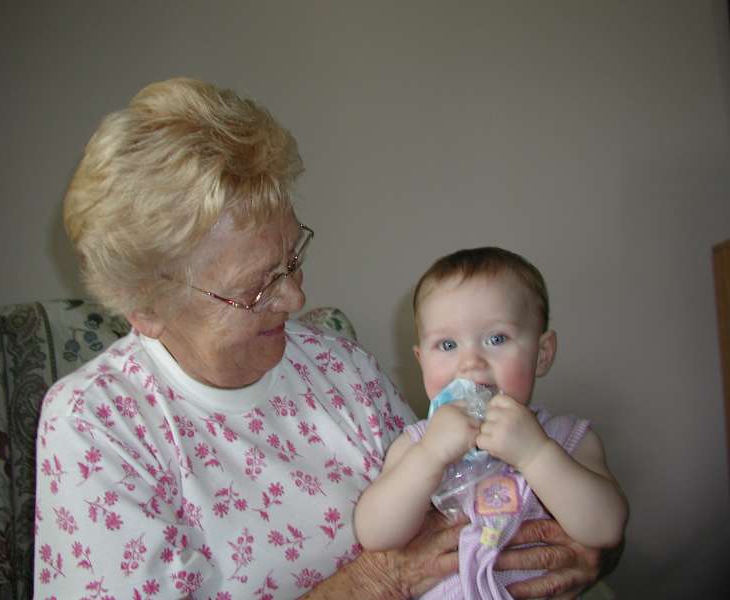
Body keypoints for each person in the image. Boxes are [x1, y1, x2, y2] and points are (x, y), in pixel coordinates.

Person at [34, 77, 616, 599]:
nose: (296, 299)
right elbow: (404, 564)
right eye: (256, 287)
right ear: (148, 311)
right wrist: (375, 583)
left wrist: (579, 550)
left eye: (292, 259)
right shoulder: (95, 425)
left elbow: (473, 507)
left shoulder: (340, 368)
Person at [354, 247, 629, 598]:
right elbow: (375, 534)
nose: (470, 362)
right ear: (422, 361)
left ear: (542, 354)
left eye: (496, 339)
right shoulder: (416, 444)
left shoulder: (569, 438)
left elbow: (606, 528)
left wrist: (535, 454)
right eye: (447, 344)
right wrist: (430, 455)